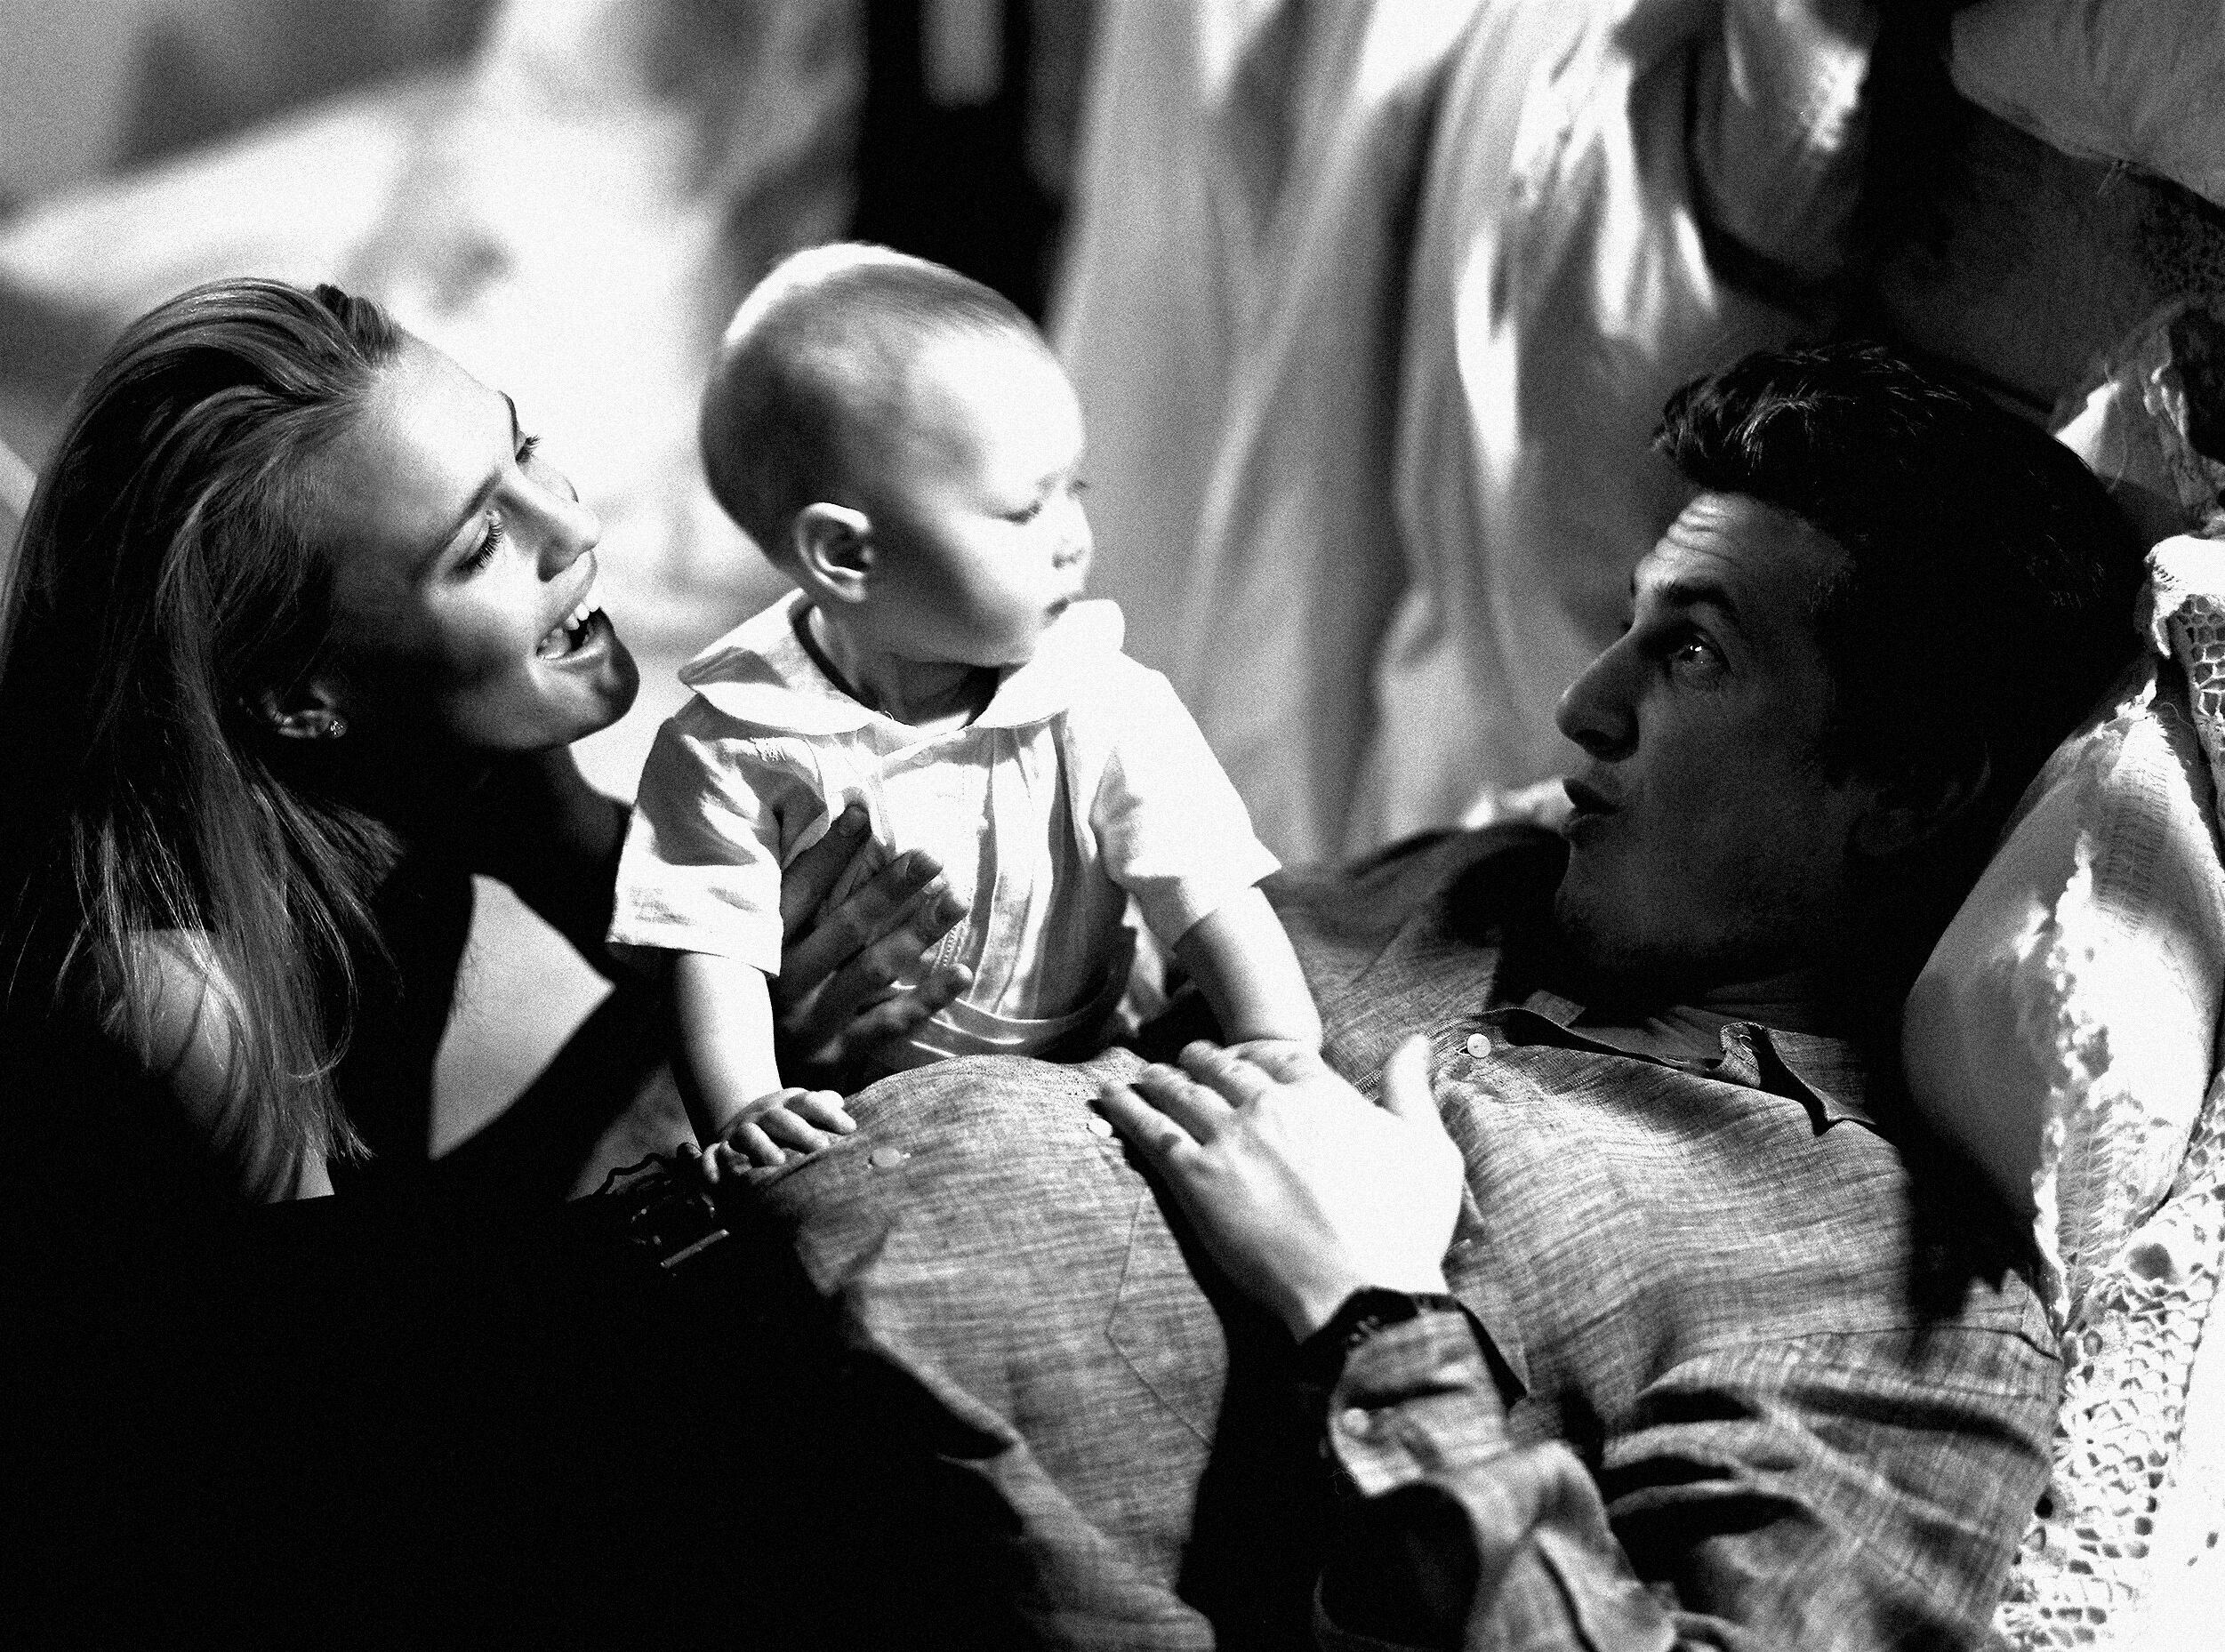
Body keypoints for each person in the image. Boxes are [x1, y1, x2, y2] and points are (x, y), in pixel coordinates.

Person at [738, 341, 2148, 1648]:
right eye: (1627, 626)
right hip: (646, 1304)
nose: (1584, 704)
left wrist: (1372, 1310)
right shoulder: (1473, 881)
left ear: (1906, 788)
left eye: (1695, 651)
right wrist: (851, 1017)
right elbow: (1077, 1026)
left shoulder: (1886, 1301)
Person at [0, 276, 969, 1648]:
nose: (574, 527)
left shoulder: (469, 749)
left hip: (358, 1293)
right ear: (299, 699)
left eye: (521, 454)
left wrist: (771, 993)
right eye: (476, 550)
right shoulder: (173, 986)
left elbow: (673, 954)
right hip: (191, 1481)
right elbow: (347, 1431)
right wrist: (701, 1182)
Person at [609, 244, 1319, 1171]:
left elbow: (1213, 893)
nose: (1074, 539)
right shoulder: (736, 740)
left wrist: (1278, 1043)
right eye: (1026, 511)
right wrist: (750, 1102)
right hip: (863, 1106)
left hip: (1093, 1061)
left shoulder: (1102, 698)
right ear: (846, 556)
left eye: (1079, 491)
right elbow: (715, 951)